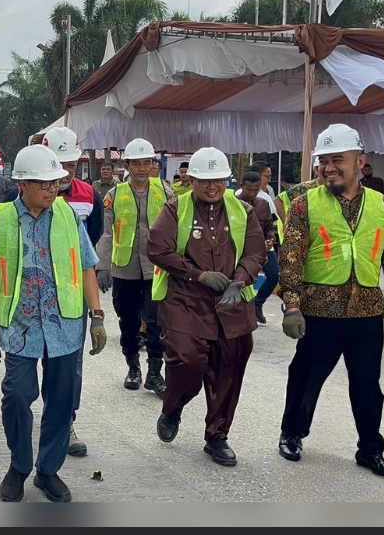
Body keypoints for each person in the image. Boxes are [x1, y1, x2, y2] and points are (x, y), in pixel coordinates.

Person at [276, 123, 384, 477]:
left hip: (366, 313)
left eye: (337, 160)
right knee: (305, 377)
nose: (329, 168)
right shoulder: (304, 204)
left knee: (368, 385)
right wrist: (291, 306)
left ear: (360, 162)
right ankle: (292, 433)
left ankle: (370, 449)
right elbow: (290, 257)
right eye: (323, 161)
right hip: (318, 311)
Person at [0, 144, 107, 503]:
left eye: (55, 183)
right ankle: (19, 466)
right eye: (44, 183)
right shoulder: (0, 220)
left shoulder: (69, 217)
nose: (52, 189)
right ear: (23, 184)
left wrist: (97, 316)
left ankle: (48, 471)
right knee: (17, 395)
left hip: (65, 325)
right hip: (20, 327)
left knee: (61, 401)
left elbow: (86, 266)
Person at [147, 146, 265, 467]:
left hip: (231, 301)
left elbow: (255, 251)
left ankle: (217, 436)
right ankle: (173, 407)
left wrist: (239, 280)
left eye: (218, 181)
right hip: (186, 300)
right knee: (186, 360)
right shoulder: (176, 208)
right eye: (205, 181)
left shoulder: (243, 210)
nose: (212, 187)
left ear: (227, 180)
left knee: (230, 368)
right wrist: (198, 274)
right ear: (192, 180)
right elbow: (158, 248)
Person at [33, 125, 105, 457]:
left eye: (71, 164)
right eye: (59, 163)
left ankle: (66, 421)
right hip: (32, 295)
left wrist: (96, 308)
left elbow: (92, 239)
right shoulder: (23, 193)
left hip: (72, 295)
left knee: (70, 364)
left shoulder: (89, 196)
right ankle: (35, 410)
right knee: (32, 362)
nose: (65, 171)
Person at [96, 137, 174, 397]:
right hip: (124, 268)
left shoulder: (166, 192)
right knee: (128, 320)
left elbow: (177, 229)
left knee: (156, 320)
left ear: (153, 164)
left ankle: (155, 372)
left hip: (156, 268)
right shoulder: (114, 195)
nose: (142, 168)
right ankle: (133, 367)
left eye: (146, 163)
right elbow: (106, 232)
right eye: (136, 163)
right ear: (127, 165)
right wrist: (102, 266)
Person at [236, 170, 280, 325]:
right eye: (248, 190)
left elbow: (270, 226)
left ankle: (258, 303)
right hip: (241, 250)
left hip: (263, 248)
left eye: (255, 190)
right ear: (241, 186)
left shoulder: (263, 204)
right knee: (241, 279)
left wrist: (270, 239)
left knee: (274, 275)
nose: (252, 193)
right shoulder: (232, 203)